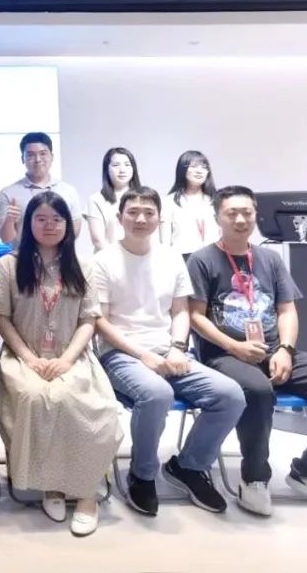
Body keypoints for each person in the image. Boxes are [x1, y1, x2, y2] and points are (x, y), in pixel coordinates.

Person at [188, 185, 307, 518]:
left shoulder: (270, 259)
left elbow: (287, 309)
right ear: (218, 217)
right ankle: (254, 478)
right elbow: (195, 317)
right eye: (232, 213)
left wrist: (286, 350)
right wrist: (234, 346)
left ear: (256, 215)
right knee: (258, 391)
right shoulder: (202, 260)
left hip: (275, 351)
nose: (240, 219)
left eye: (247, 212)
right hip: (224, 353)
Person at [93, 186, 245, 517]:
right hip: (120, 354)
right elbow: (100, 323)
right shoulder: (103, 261)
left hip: (169, 351)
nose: (141, 219)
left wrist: (177, 348)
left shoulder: (171, 257)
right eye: (133, 212)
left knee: (230, 395)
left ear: (159, 219)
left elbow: (180, 311)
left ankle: (188, 467)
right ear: (120, 217)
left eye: (148, 213)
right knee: (157, 394)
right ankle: (142, 474)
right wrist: (143, 356)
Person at [0, 191, 120, 537]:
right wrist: (30, 358)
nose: (49, 226)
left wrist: (66, 360)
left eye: (57, 220)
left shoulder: (83, 266)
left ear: (68, 225)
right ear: (28, 223)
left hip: (71, 354)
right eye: (41, 219)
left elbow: (89, 320)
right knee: (37, 398)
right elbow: (2, 318)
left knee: (84, 403)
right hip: (23, 355)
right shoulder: (8, 266)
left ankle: (86, 492)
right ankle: (52, 484)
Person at [0, 132, 82, 248]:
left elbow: (74, 231)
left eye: (43, 154)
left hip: (61, 256)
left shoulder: (68, 191)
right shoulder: (8, 193)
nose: (37, 159)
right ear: (22, 158)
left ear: (52, 157)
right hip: (24, 256)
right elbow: (6, 239)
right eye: (30, 155)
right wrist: (10, 220)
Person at [162, 150, 220, 256]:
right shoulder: (169, 202)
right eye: (194, 166)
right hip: (181, 257)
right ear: (182, 170)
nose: (199, 171)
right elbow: (164, 240)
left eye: (204, 167)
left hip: (213, 257)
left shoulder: (215, 201)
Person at [85, 147, 141, 252]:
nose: (122, 170)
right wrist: (118, 259)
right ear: (107, 169)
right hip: (108, 258)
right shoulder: (96, 199)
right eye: (116, 165)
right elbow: (98, 241)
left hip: (140, 257)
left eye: (127, 165)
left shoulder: (144, 198)